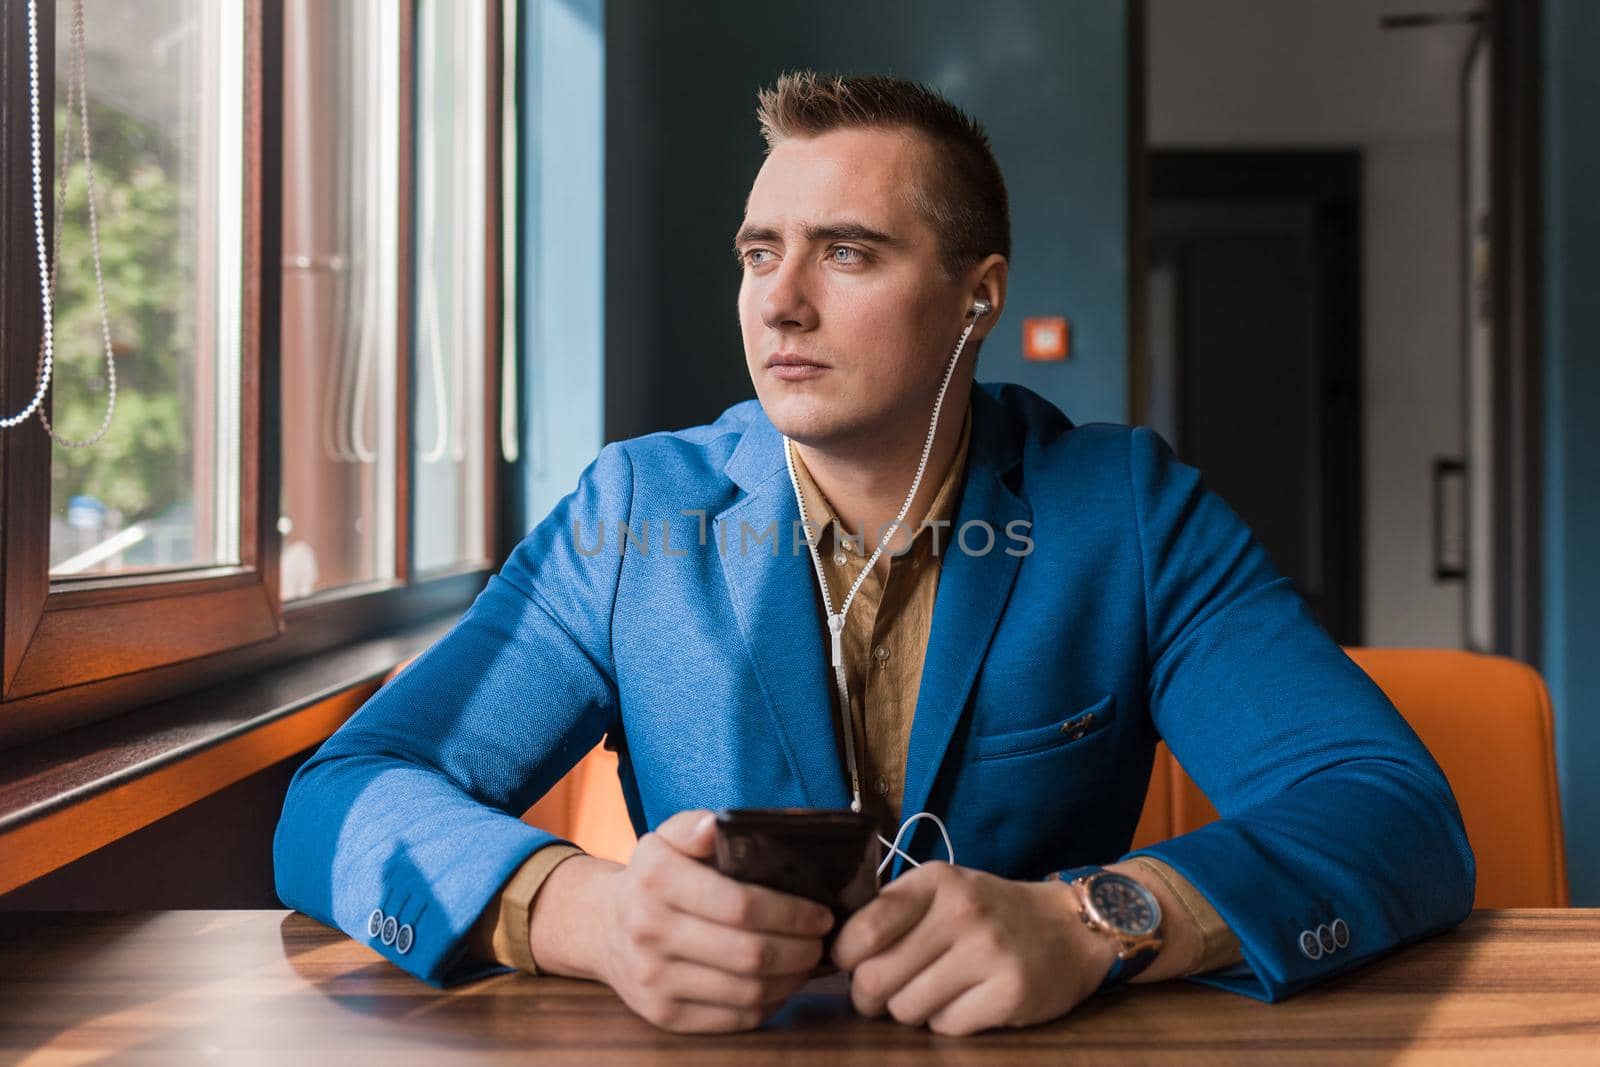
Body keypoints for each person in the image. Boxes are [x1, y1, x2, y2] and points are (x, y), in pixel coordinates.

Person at [273, 70, 1475, 1036]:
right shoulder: (630, 510)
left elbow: (1393, 813)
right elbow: (341, 797)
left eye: (846, 252)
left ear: (976, 297)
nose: (779, 302)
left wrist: (1100, 916)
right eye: (758, 252)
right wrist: (581, 910)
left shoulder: (1128, 509)